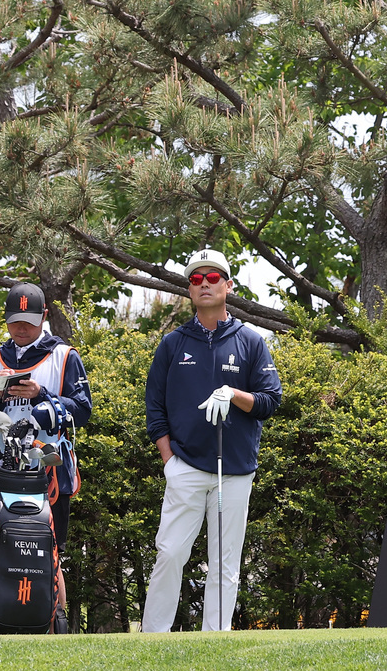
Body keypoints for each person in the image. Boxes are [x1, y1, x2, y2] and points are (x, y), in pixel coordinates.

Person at [141, 249, 283, 632]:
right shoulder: (172, 344)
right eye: (196, 279)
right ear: (189, 290)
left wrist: (233, 394)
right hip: (184, 466)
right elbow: (155, 407)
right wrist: (169, 459)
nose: (204, 284)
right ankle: (152, 641)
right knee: (170, 553)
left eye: (213, 278)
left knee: (225, 563)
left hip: (233, 472)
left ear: (228, 286)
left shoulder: (251, 342)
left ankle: (214, 642)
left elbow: (270, 400)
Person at [0, 281, 92, 632]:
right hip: (0, 468)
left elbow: (82, 410)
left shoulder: (64, 355)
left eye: (30, 320)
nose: (21, 328)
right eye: (15, 320)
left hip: (47, 469)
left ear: (45, 317)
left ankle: (55, 624)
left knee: (49, 549)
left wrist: (41, 394)